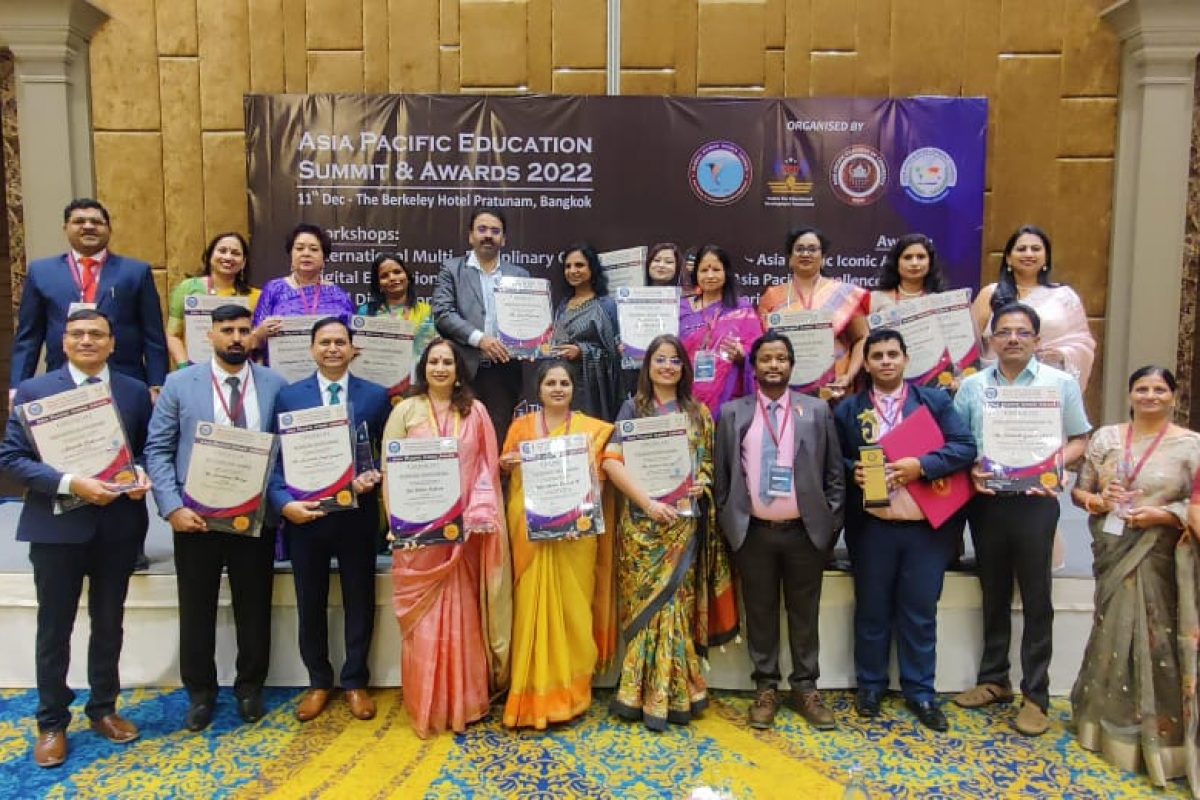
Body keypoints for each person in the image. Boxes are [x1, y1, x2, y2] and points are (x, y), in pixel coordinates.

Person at [0, 309, 153, 768]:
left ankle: (103, 708)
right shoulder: (34, 392)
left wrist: (140, 472)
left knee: (109, 624)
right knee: (54, 628)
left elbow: (145, 448)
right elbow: (11, 457)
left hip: (118, 527)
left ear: (112, 344)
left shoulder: (131, 391)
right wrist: (70, 483)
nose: (87, 340)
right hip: (57, 528)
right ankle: (51, 722)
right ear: (63, 342)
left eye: (97, 334)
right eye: (78, 334)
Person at [144, 304, 288, 732]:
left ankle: (249, 688)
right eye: (227, 330)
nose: (237, 338)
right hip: (196, 519)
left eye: (244, 330)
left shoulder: (275, 384)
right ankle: (201, 694)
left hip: (253, 519)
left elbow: (287, 451)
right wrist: (172, 508)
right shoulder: (179, 383)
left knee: (254, 606)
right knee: (197, 607)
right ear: (209, 335)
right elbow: (158, 449)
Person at [951, 302, 1091, 736]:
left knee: (1036, 595)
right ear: (991, 340)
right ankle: (994, 679)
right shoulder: (972, 387)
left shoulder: (1059, 383)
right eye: (1004, 332)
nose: (1012, 338)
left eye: (1022, 332)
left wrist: (1055, 465)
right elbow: (957, 441)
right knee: (992, 589)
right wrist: (971, 469)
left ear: (1036, 339)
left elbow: (1080, 439)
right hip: (988, 499)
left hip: (1036, 501)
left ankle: (1036, 695)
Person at [833, 329, 976, 732]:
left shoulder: (933, 401)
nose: (885, 361)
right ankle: (871, 687)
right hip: (873, 528)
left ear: (906, 359)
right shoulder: (849, 409)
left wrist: (922, 466)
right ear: (869, 362)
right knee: (872, 611)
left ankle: (921, 693)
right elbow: (833, 460)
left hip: (925, 530)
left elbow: (965, 447)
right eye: (876, 355)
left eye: (892, 354)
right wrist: (852, 470)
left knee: (919, 613)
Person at [1069, 366, 1200, 787]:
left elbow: (1193, 506)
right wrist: (1098, 501)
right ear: (1129, 395)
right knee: (1110, 634)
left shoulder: (1192, 447)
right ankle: (1101, 727)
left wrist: (1163, 515)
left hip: (1160, 557)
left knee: (1155, 638)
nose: (1149, 395)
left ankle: (1160, 737)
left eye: (1159, 389)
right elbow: (1078, 490)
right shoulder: (1106, 438)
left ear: (1173, 398)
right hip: (1113, 550)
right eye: (1141, 388)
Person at [602, 334, 739, 729]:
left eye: (675, 360)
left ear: (684, 368)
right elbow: (612, 462)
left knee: (674, 607)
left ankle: (678, 691)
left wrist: (702, 485)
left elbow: (709, 466)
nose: (667, 366)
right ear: (647, 366)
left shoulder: (698, 413)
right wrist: (647, 503)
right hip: (643, 528)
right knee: (647, 610)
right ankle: (636, 692)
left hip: (682, 526)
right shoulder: (633, 408)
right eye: (659, 360)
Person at [714, 330, 845, 730]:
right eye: (766, 359)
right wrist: (731, 523)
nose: (774, 365)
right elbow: (722, 478)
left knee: (804, 614)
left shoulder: (816, 411)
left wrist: (827, 526)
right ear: (754, 368)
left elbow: (834, 476)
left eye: (781, 358)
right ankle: (766, 688)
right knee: (761, 612)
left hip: (805, 534)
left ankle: (806, 687)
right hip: (753, 533)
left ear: (791, 365)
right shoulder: (733, 413)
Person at [384, 338, 511, 737]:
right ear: (424, 367)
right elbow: (391, 469)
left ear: (459, 371)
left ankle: (464, 701)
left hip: (463, 537)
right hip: (419, 540)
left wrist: (477, 514)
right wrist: (400, 523)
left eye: (448, 362)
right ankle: (428, 702)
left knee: (463, 618)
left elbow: (486, 470)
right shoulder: (405, 410)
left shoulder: (475, 412)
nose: (440, 368)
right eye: (434, 361)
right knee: (423, 625)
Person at [267, 317, 390, 723]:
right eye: (325, 342)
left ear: (353, 349)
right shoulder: (288, 397)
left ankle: (355, 681)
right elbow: (276, 459)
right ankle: (319, 680)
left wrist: (377, 477)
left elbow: (383, 454)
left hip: (357, 514)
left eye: (340, 342)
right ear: (311, 349)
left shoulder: (375, 396)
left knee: (359, 598)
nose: (333, 348)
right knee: (310, 599)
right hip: (307, 517)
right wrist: (284, 503)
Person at [500, 359, 615, 729]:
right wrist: (509, 462)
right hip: (530, 535)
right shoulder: (521, 426)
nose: (558, 389)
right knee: (532, 608)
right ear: (539, 390)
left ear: (573, 389)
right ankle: (531, 693)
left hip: (573, 536)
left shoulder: (591, 431)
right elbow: (504, 465)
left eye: (564, 383)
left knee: (572, 613)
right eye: (550, 383)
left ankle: (572, 697)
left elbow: (598, 477)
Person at [11, 198, 168, 395]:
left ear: (109, 229)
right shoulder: (42, 272)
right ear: (65, 228)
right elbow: (29, 337)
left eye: (96, 222)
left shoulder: (135, 271)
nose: (88, 227)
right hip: (62, 380)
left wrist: (157, 384)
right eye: (79, 221)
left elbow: (153, 335)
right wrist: (17, 387)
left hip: (124, 381)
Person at [432, 208, 531, 446]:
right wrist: (480, 339)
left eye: (495, 231)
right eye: (482, 229)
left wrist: (532, 342)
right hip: (464, 369)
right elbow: (443, 314)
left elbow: (529, 320)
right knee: (461, 437)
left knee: (498, 438)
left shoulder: (520, 275)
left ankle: (496, 484)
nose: (488, 235)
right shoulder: (451, 270)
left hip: (504, 370)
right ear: (470, 236)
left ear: (504, 239)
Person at [972, 225, 1095, 389]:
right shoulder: (991, 293)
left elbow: (1083, 343)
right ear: (1008, 258)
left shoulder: (1064, 296)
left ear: (1046, 257)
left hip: (1047, 388)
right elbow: (969, 346)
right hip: (996, 387)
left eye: (1036, 249)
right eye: (1021, 249)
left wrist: (1061, 355)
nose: (1029, 254)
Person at [758, 226, 869, 397]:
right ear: (790, 258)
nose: (805, 254)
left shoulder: (843, 294)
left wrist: (849, 375)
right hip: (785, 389)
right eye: (799, 249)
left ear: (823, 258)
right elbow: (762, 345)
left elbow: (862, 337)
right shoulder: (773, 296)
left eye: (812, 249)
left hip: (834, 390)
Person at [679, 244, 763, 421]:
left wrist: (743, 356)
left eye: (716, 269)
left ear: (726, 273)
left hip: (729, 400)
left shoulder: (742, 309)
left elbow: (758, 352)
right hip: (686, 398)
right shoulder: (682, 309)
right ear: (696, 274)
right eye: (704, 270)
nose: (710, 275)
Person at [252, 223, 356, 358]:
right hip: (283, 373)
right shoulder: (274, 289)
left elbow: (354, 341)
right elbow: (254, 342)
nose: (306, 253)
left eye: (314, 249)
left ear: (324, 258)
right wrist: (260, 333)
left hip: (329, 373)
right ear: (291, 254)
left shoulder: (339, 295)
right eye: (299, 248)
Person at [166, 232, 262, 369]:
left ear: (244, 262)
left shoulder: (256, 296)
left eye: (235, 253)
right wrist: (184, 366)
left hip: (238, 371)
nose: (228, 257)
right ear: (210, 255)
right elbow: (173, 335)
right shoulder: (187, 288)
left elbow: (257, 341)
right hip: (194, 371)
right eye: (222, 251)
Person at [550, 243, 621, 421]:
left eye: (579, 265)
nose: (573, 270)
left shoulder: (606, 305)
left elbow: (614, 355)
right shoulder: (563, 305)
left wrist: (582, 352)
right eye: (568, 266)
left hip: (593, 389)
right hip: (563, 384)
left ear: (592, 269)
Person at [356, 253, 438, 399]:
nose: (392, 278)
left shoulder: (426, 311)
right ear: (378, 284)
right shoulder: (367, 312)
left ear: (407, 276)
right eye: (384, 275)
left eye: (397, 272)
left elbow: (433, 351)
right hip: (377, 388)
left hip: (416, 388)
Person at [869, 233, 948, 312]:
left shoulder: (941, 300)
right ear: (896, 262)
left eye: (921, 257)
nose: (914, 263)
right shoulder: (875, 299)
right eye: (907, 257)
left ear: (930, 262)